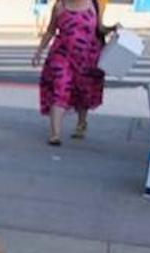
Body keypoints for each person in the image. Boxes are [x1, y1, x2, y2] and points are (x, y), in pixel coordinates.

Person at [33, 0, 113, 146]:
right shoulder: (59, 6)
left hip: (88, 57)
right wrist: (39, 51)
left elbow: (100, 28)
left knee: (84, 91)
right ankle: (55, 134)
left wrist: (114, 28)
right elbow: (51, 30)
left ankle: (81, 123)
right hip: (62, 55)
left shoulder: (95, 4)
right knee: (60, 86)